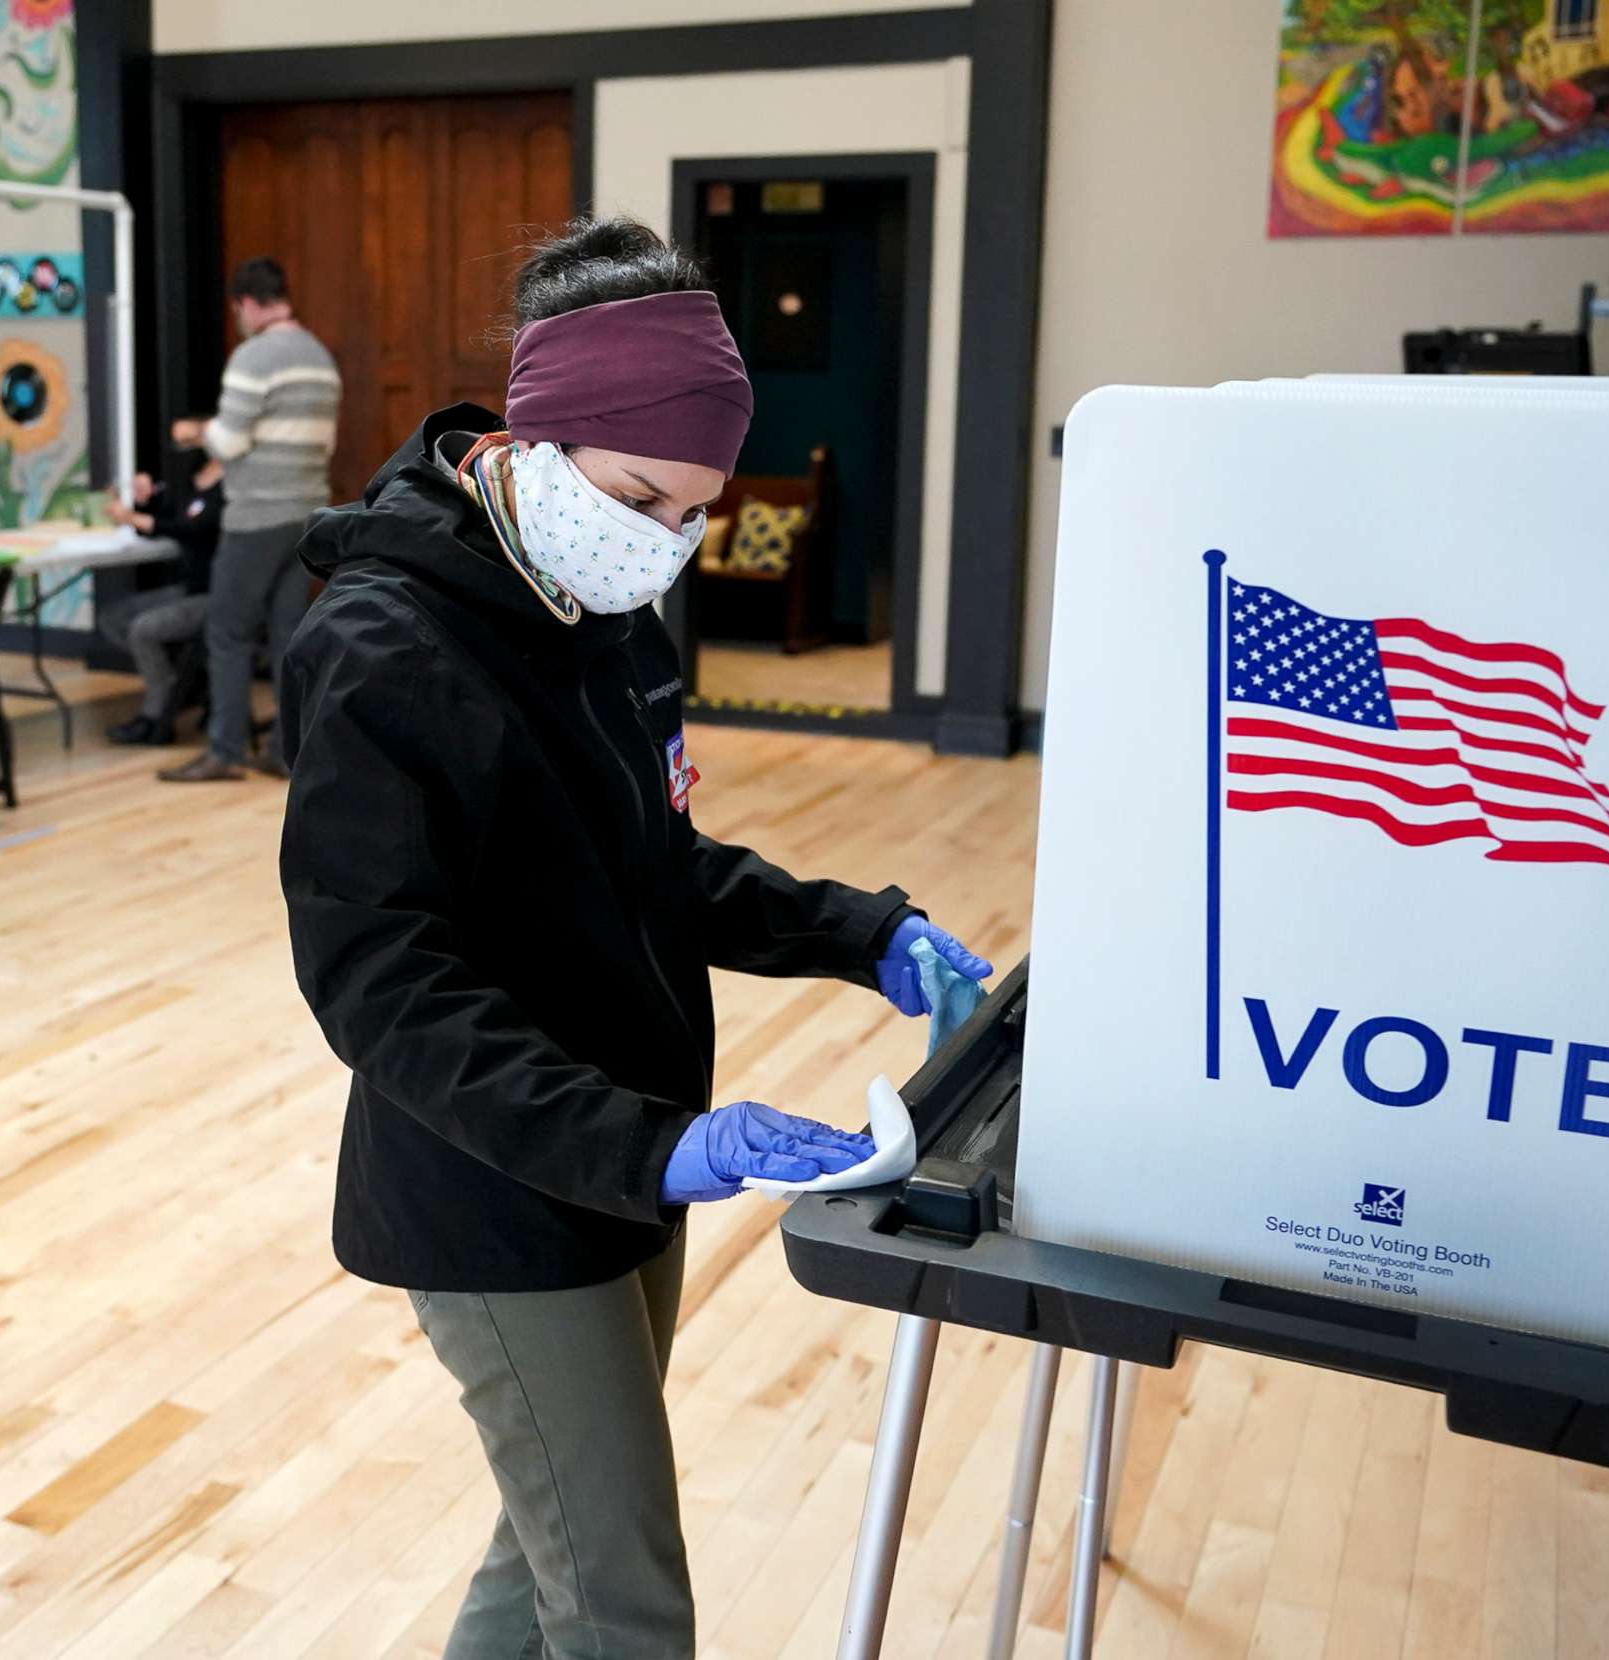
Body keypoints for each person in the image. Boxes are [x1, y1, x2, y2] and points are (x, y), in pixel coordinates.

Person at [275, 216, 994, 1658]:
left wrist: (862, 936)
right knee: (623, 1602)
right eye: (641, 495)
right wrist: (639, 1148)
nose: (666, 543)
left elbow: (652, 859)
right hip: (496, 1188)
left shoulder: (601, 595)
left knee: (547, 1548)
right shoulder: (382, 649)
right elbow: (381, 986)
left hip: (627, 1158)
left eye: (696, 513)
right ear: (539, 441)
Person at [161, 256, 341, 783]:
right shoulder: (319, 356)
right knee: (288, 635)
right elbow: (324, 442)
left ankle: (225, 749)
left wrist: (196, 433)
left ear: (245, 304)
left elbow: (231, 439)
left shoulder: (254, 356)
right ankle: (283, 753)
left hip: (258, 512)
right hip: (306, 513)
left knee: (228, 629)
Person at [99, 459, 226, 746]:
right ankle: (180, 685)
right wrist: (144, 504)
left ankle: (156, 716)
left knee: (144, 629)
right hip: (190, 586)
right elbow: (168, 520)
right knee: (114, 617)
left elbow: (196, 529)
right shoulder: (192, 480)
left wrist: (135, 518)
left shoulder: (234, 485)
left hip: (218, 593)